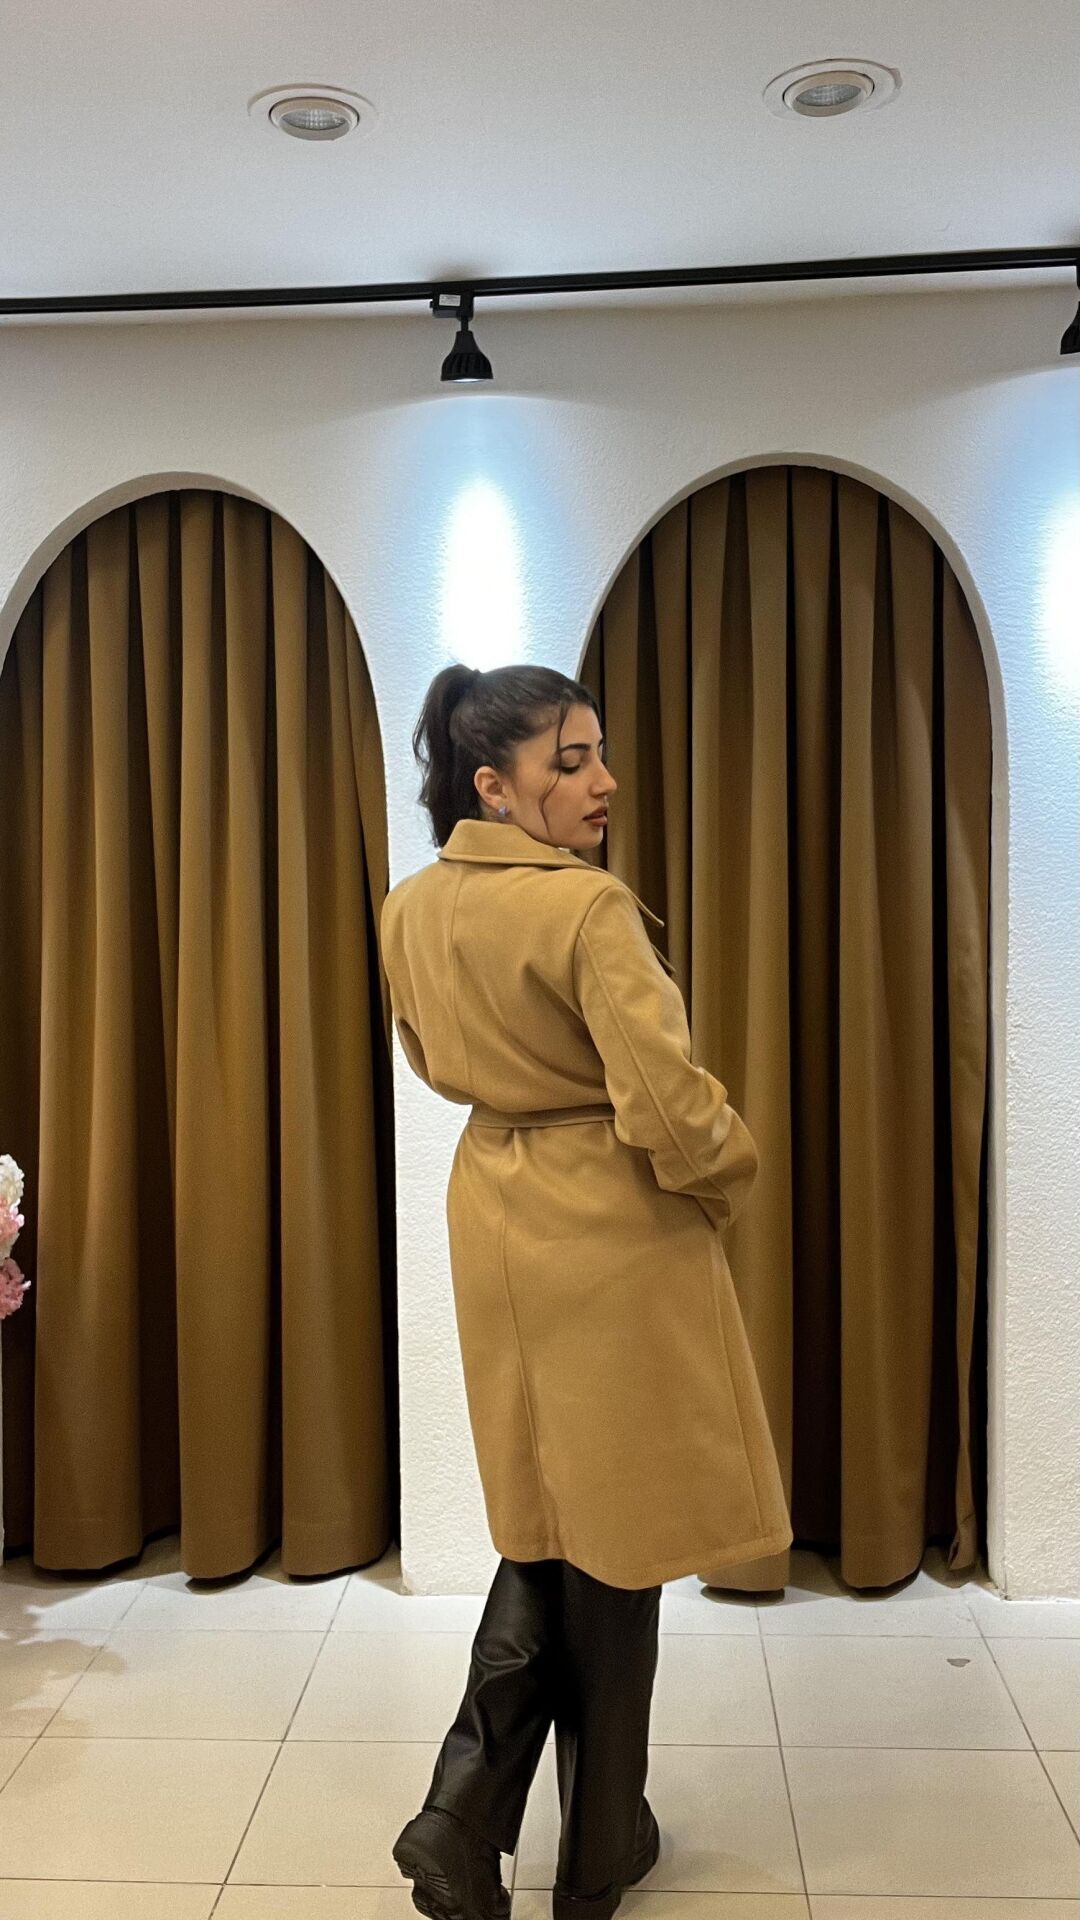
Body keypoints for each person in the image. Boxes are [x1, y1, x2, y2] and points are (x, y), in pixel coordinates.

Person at [379, 663, 792, 1920]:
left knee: (556, 1529)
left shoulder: (408, 907)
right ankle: (593, 1850)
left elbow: (431, 1062)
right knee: (616, 1541)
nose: (602, 781)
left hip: (492, 1210)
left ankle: (484, 1819)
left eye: (600, 753)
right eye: (569, 762)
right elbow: (666, 1102)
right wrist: (728, 1176)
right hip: (607, 1225)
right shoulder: (586, 909)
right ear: (493, 786)